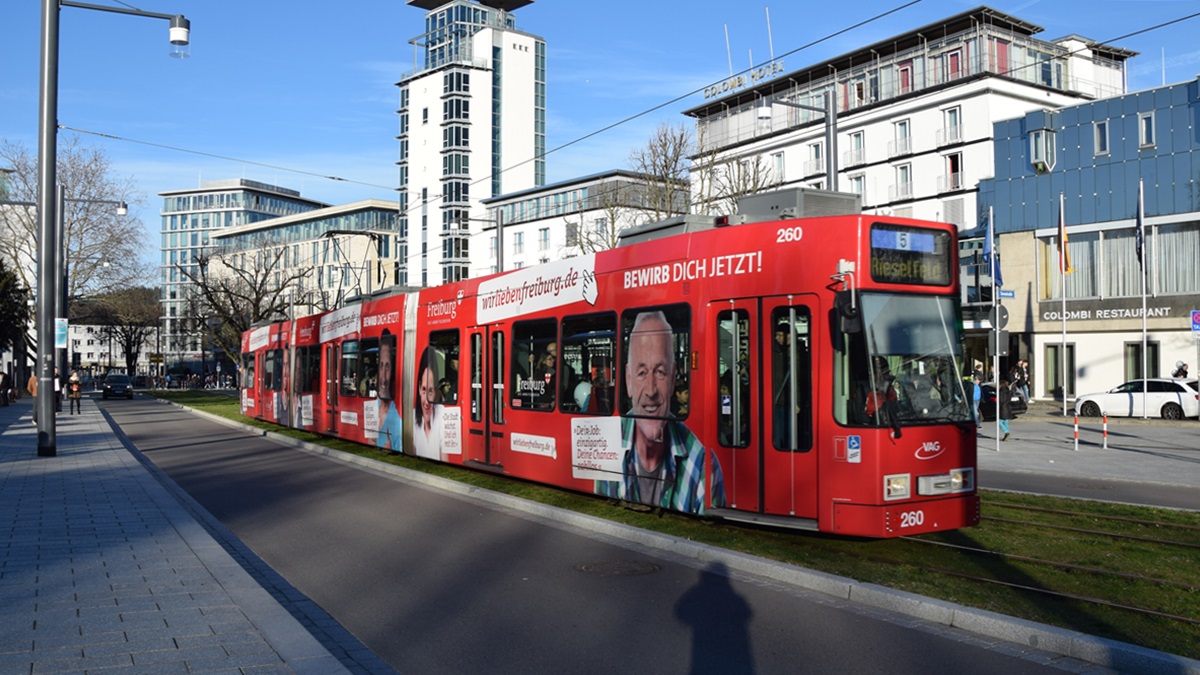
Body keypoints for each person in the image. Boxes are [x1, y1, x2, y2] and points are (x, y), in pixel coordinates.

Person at [595, 310, 725, 514]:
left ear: (673, 379)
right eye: (641, 373)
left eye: (660, 372)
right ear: (628, 380)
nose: (651, 390)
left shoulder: (704, 467)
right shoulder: (607, 446)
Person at [413, 345, 443, 460]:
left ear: (436, 391)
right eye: (424, 390)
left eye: (431, 391)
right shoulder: (412, 420)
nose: (427, 402)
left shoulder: (441, 415)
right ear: (419, 388)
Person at [376, 331, 402, 451]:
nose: (383, 376)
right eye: (381, 366)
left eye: (387, 366)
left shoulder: (397, 419)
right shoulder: (373, 404)